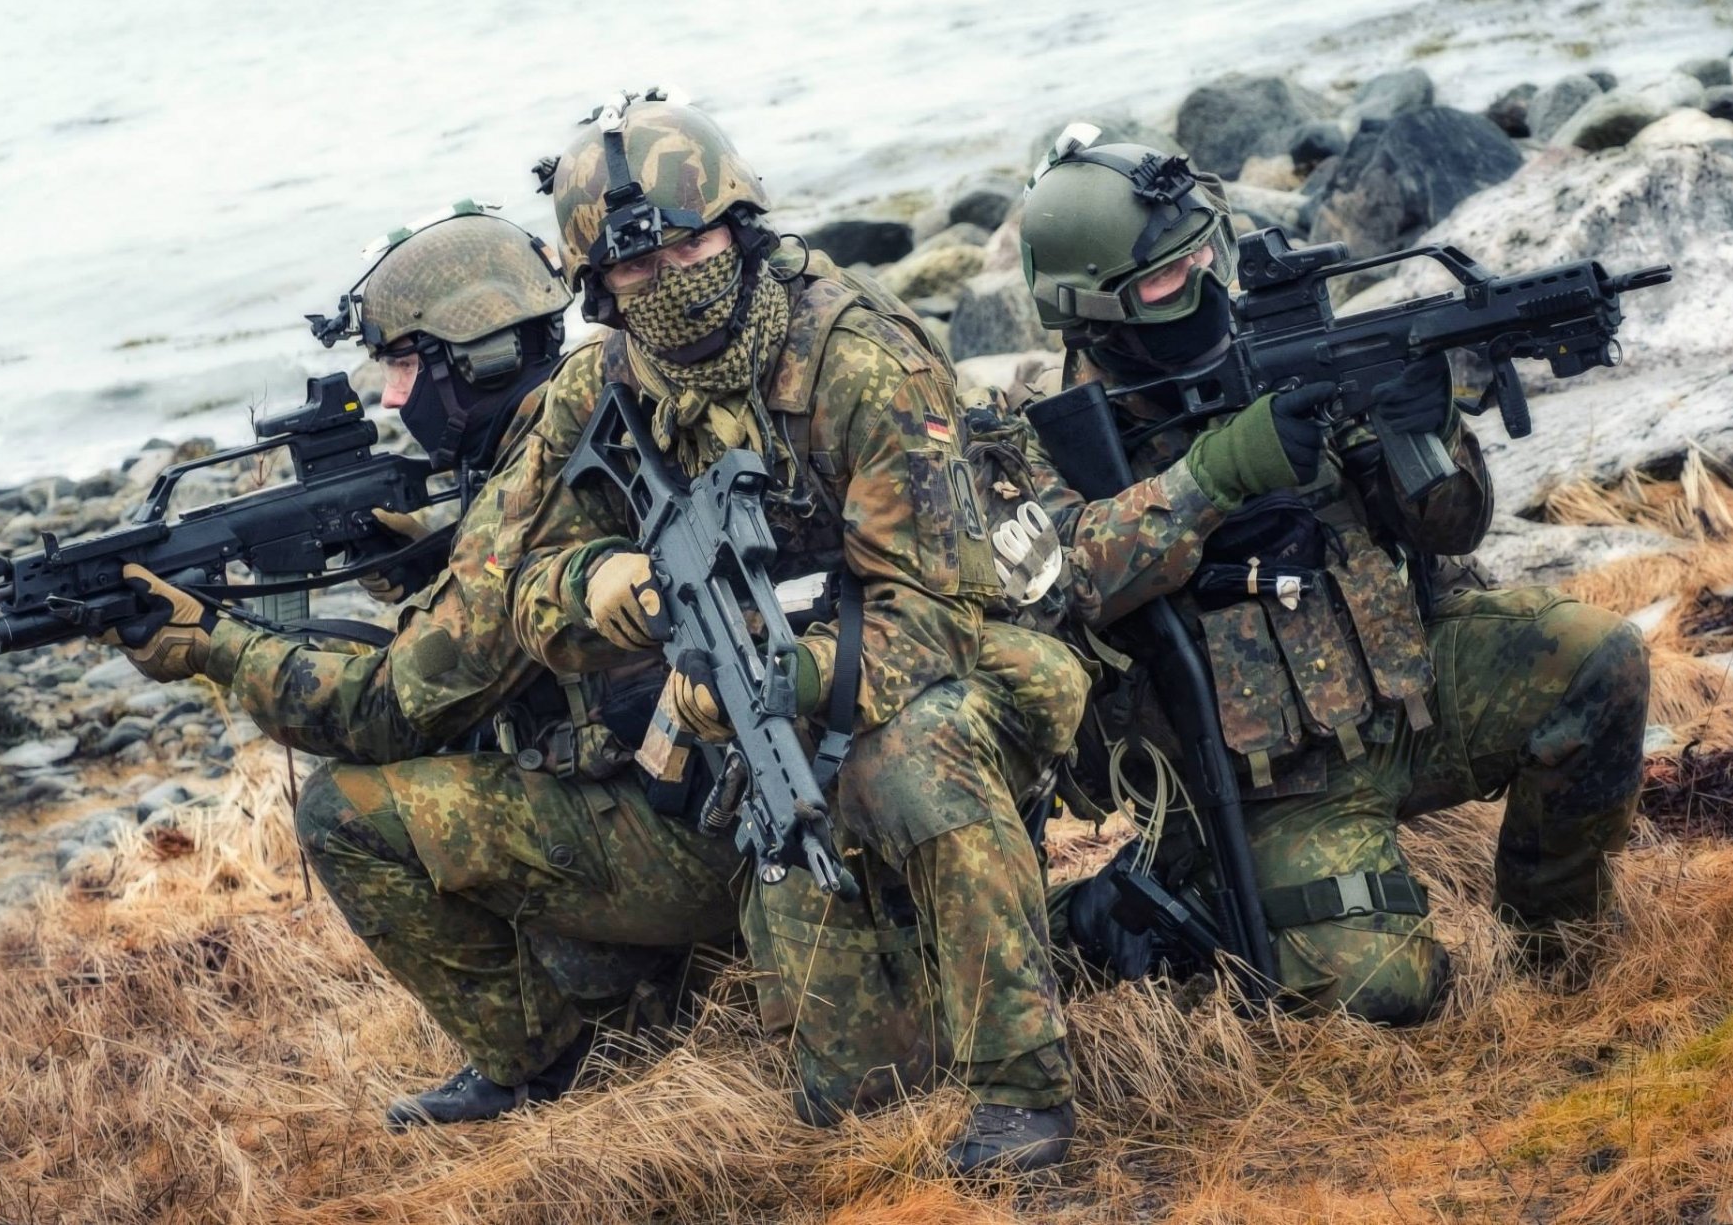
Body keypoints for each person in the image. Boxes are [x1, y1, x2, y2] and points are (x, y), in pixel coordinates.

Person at [502, 91, 1091, 1173]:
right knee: (852, 1090)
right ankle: (917, 963)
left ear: (741, 227)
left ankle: (1024, 1091)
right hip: (754, 699)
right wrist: (604, 589)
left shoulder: (857, 358)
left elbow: (938, 610)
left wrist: (783, 679)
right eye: (634, 268)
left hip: (960, 658)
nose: (669, 276)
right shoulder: (596, 388)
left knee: (916, 760)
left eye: (690, 243)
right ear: (597, 287)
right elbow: (519, 582)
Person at [95, 204, 746, 1130]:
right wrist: (430, 560)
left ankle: (544, 1063)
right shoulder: (589, 414)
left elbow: (390, 710)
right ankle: (639, 977)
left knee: (342, 812)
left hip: (701, 852)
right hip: (726, 809)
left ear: (476, 354)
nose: (393, 399)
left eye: (405, 363)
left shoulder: (537, 485)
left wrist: (213, 644)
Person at [1004, 130, 1649, 1023]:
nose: (1199, 285)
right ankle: (1112, 913)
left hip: (1411, 695)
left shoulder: (1277, 345)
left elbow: (1454, 525)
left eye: (1204, 254)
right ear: (1090, 306)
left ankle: (1559, 946)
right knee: (1386, 991)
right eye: (1163, 278)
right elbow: (1061, 582)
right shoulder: (1032, 433)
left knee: (1595, 657)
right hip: (1259, 781)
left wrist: (1420, 430)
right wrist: (1221, 472)